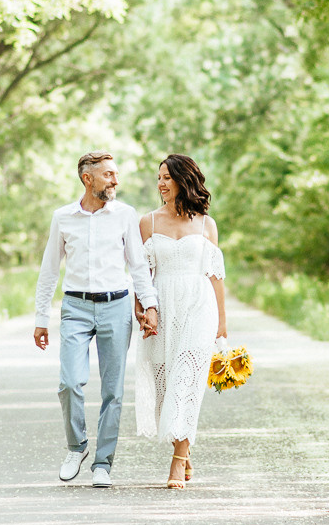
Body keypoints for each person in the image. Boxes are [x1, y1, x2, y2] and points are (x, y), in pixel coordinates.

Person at [33, 152, 158, 488]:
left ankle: (103, 463)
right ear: (87, 179)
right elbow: (49, 270)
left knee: (112, 391)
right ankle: (77, 447)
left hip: (116, 307)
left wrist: (150, 305)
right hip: (75, 307)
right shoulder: (63, 217)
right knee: (69, 382)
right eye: (108, 175)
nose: (115, 181)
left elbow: (138, 266)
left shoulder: (125, 215)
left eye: (115, 174)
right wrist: (41, 317)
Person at [134, 154, 228, 490]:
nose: (160, 184)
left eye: (167, 178)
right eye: (159, 178)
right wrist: (141, 310)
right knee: (165, 385)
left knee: (187, 380)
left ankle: (177, 460)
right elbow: (141, 274)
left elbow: (215, 276)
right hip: (162, 307)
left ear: (182, 180)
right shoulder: (148, 222)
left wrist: (222, 324)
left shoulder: (206, 225)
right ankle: (184, 448)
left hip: (198, 307)